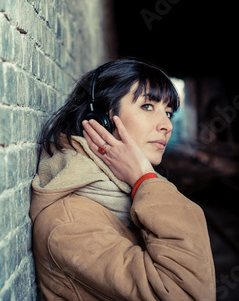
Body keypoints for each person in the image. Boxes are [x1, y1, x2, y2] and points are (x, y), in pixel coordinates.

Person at [30, 58, 216, 300]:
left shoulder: (122, 193)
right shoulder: (69, 224)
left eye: (168, 112)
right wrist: (144, 177)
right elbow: (187, 293)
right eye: (148, 106)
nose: (167, 125)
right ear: (100, 119)